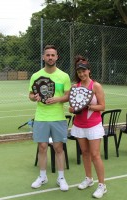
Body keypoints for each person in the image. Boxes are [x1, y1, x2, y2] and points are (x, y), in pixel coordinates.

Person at [29, 45, 71, 191]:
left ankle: (61, 178)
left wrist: (57, 99)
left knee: (59, 147)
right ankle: (42, 176)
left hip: (58, 117)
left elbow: (67, 96)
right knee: (42, 147)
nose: (50, 57)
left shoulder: (64, 76)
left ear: (57, 57)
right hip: (41, 117)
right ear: (43, 57)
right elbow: (30, 95)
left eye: (53, 55)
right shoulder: (35, 76)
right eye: (48, 55)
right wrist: (34, 97)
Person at [69, 55, 107, 198]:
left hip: (93, 125)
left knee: (95, 155)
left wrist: (88, 106)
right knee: (84, 153)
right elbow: (72, 106)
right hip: (79, 125)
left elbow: (102, 106)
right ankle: (89, 179)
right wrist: (72, 109)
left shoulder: (95, 86)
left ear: (89, 71)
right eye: (79, 72)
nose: (82, 74)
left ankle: (102, 185)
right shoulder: (75, 87)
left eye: (84, 71)